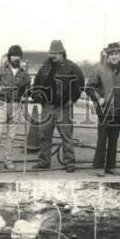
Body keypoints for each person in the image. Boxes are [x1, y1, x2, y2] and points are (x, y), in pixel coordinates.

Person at [30, 39, 84, 173]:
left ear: (63, 53)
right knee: (44, 135)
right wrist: (37, 95)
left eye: (56, 53)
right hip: (47, 107)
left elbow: (80, 85)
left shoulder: (72, 67)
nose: (52, 56)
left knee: (66, 136)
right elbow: (36, 84)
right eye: (51, 53)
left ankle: (69, 163)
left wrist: (73, 99)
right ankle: (44, 161)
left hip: (63, 108)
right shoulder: (45, 67)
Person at [86, 42, 120, 176]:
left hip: (119, 111)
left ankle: (111, 166)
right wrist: (99, 98)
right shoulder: (99, 70)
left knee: (114, 139)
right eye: (112, 54)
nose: (114, 57)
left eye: (117, 54)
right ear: (108, 56)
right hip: (104, 111)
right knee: (102, 139)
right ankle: (98, 166)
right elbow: (89, 88)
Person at [0, 44, 31, 171]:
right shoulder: (1, 70)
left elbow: (28, 90)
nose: (16, 58)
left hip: (16, 106)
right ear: (9, 57)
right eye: (14, 56)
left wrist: (27, 92)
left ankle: (8, 160)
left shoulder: (24, 74)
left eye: (18, 56)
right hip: (2, 105)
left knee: (11, 136)